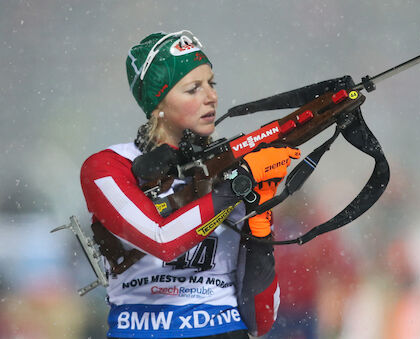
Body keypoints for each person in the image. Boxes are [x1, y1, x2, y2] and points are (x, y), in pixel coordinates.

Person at [80, 30, 300, 338]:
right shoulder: (108, 166)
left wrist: (261, 222)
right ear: (158, 102)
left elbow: (260, 320)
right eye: (193, 88)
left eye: (212, 84)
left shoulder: (231, 165)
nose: (211, 97)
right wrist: (238, 186)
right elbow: (163, 241)